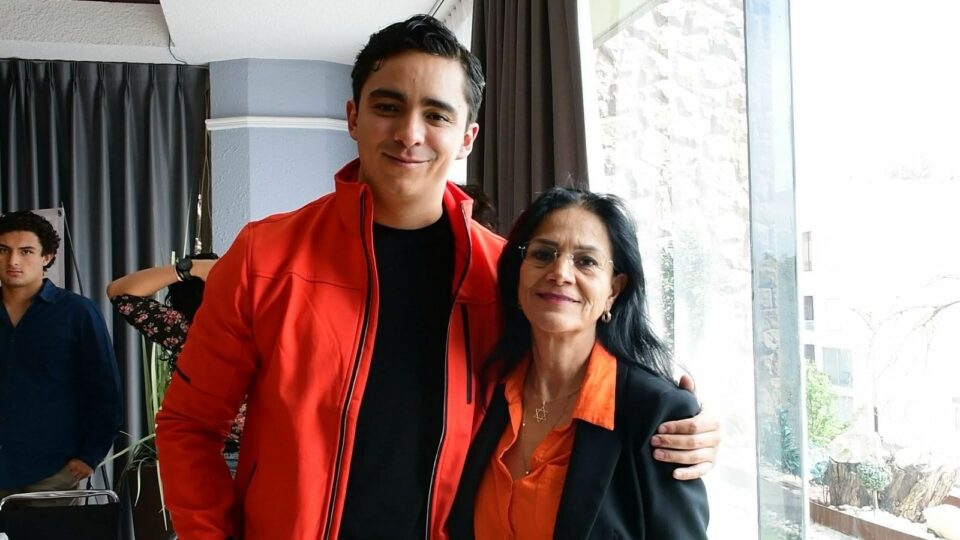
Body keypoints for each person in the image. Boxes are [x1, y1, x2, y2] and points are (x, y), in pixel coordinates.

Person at [155, 15, 718, 540]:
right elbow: (190, 426)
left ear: (467, 137)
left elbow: (579, 358)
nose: (409, 133)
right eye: (388, 106)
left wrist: (675, 405)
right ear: (353, 117)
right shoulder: (265, 257)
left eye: (437, 115)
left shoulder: (506, 274)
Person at [447, 187, 708, 538]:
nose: (560, 273)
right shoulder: (485, 391)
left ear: (613, 290)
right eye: (543, 254)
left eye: (586, 261)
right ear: (518, 275)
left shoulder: (655, 413)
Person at [0, 210, 122, 506]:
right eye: (3, 250)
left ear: (47, 257)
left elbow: (105, 390)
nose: (13, 261)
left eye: (26, 251)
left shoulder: (77, 313)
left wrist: (89, 456)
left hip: (53, 472)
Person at [106, 254, 245, 449]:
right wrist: (191, 269)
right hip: (253, 450)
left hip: (203, 449)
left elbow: (120, 293)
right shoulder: (187, 329)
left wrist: (187, 269)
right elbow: (119, 292)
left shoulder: (186, 330)